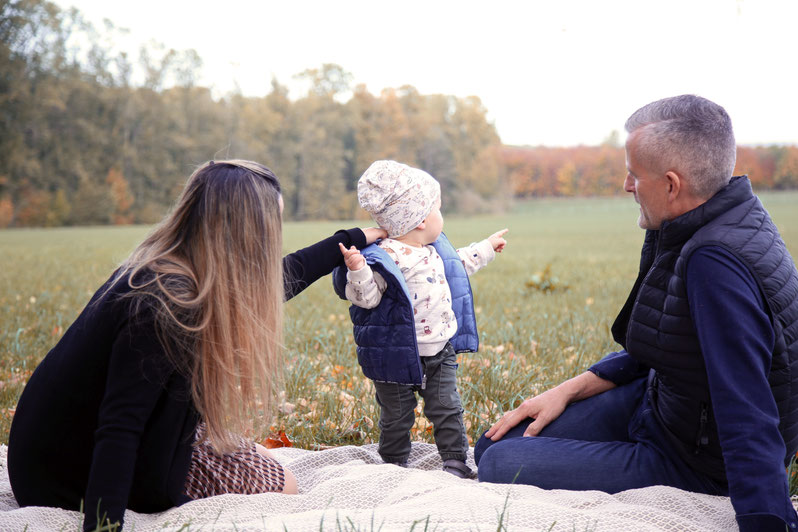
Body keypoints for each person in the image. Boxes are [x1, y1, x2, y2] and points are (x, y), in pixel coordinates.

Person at [474, 95, 798, 531]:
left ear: (671, 185)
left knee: (500, 464)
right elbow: (671, 340)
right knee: (490, 445)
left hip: (694, 459)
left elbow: (746, 408)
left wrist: (767, 520)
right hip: (664, 404)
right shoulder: (713, 217)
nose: (627, 185)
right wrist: (568, 390)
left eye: (634, 174)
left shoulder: (714, 263)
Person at [7, 160, 387, 531]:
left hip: (49, 453)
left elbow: (279, 278)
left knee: (256, 454)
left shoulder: (170, 270)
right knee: (284, 484)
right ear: (248, 230)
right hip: (65, 478)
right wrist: (104, 526)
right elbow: (120, 426)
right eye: (273, 224)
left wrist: (354, 238)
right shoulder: (166, 305)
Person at [332, 160, 508, 478]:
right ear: (422, 220)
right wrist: (358, 271)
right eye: (438, 209)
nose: (442, 216)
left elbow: (460, 264)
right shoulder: (386, 258)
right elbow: (366, 298)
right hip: (395, 354)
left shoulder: (434, 250)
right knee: (396, 416)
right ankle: (394, 464)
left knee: (447, 406)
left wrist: (486, 247)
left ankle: (455, 460)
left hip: (439, 351)